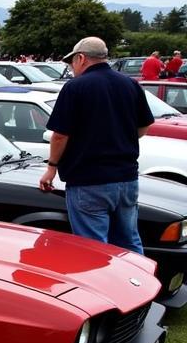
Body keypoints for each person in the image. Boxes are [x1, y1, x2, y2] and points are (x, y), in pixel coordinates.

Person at [38, 36, 153, 254]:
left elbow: (60, 135)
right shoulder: (130, 84)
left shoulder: (75, 87)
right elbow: (144, 126)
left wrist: (51, 168)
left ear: (81, 58)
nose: (72, 68)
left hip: (88, 181)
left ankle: (101, 288)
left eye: (72, 62)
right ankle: (137, 285)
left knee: (93, 248)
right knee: (129, 242)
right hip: (127, 178)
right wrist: (118, 138)